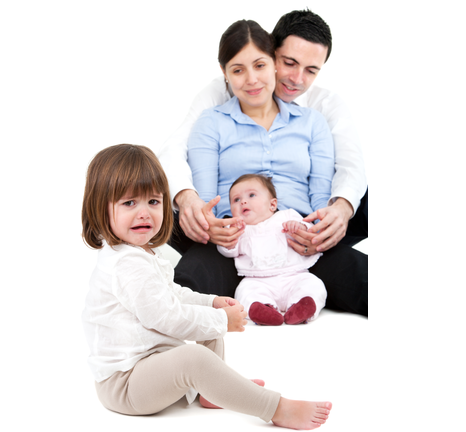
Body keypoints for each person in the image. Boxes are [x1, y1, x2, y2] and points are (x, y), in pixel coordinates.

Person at [81, 143, 333, 429]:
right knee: (195, 354)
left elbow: (173, 294)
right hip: (125, 385)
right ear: (101, 208)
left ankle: (212, 390)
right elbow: (165, 317)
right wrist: (220, 320)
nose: (144, 213)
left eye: (153, 202)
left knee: (207, 330)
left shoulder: (140, 253)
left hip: (149, 367)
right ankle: (275, 408)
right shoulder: (126, 264)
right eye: (129, 203)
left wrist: (211, 302)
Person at [158, 10, 368, 317]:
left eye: (310, 69)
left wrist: (325, 223)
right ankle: (253, 284)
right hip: (236, 237)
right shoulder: (213, 113)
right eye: (290, 63)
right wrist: (203, 216)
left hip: (297, 237)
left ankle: (301, 283)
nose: (296, 79)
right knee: (185, 273)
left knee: (363, 265)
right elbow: (182, 167)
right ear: (276, 55)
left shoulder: (316, 116)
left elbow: (345, 171)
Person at [218, 174, 327, 326]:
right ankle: (263, 310)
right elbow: (227, 250)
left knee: (314, 285)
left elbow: (309, 232)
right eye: (236, 200)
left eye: (251, 195)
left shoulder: (287, 216)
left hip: (294, 275)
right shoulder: (237, 230)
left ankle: (303, 308)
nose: (243, 201)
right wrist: (229, 240)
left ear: (272, 205)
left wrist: (299, 227)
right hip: (256, 280)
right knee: (244, 292)